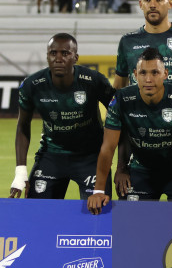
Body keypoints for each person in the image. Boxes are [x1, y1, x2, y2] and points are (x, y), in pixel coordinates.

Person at [87, 48, 172, 211]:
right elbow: (107, 147)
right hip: (142, 169)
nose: (148, 79)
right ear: (134, 74)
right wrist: (98, 190)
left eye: (155, 72)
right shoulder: (121, 99)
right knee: (131, 223)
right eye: (143, 73)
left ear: (165, 73)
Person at [10, 34, 115, 200]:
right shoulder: (32, 85)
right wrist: (20, 171)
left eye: (65, 54)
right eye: (53, 53)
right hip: (51, 155)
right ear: (47, 57)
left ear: (76, 57)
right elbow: (23, 125)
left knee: (97, 218)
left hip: (91, 158)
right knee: (37, 216)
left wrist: (120, 162)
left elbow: (119, 114)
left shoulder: (94, 81)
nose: (58, 58)